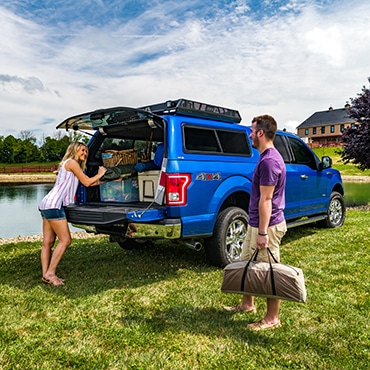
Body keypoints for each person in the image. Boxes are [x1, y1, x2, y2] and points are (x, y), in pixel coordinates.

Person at [224, 115, 287, 331]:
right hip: (256, 222)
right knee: (247, 264)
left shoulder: (270, 161)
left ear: (260, 133)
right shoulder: (265, 157)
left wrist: (262, 233)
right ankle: (247, 304)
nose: (249, 134)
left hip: (267, 225)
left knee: (269, 271)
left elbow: (267, 199)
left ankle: (272, 318)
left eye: (252, 131)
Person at [38, 142, 107, 286]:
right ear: (74, 150)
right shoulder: (71, 162)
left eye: (86, 151)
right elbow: (87, 182)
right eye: (82, 150)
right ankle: (51, 273)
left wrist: (103, 180)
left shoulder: (68, 165)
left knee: (48, 243)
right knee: (65, 240)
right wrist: (100, 173)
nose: (85, 153)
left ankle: (45, 275)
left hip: (47, 204)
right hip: (55, 205)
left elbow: (87, 183)